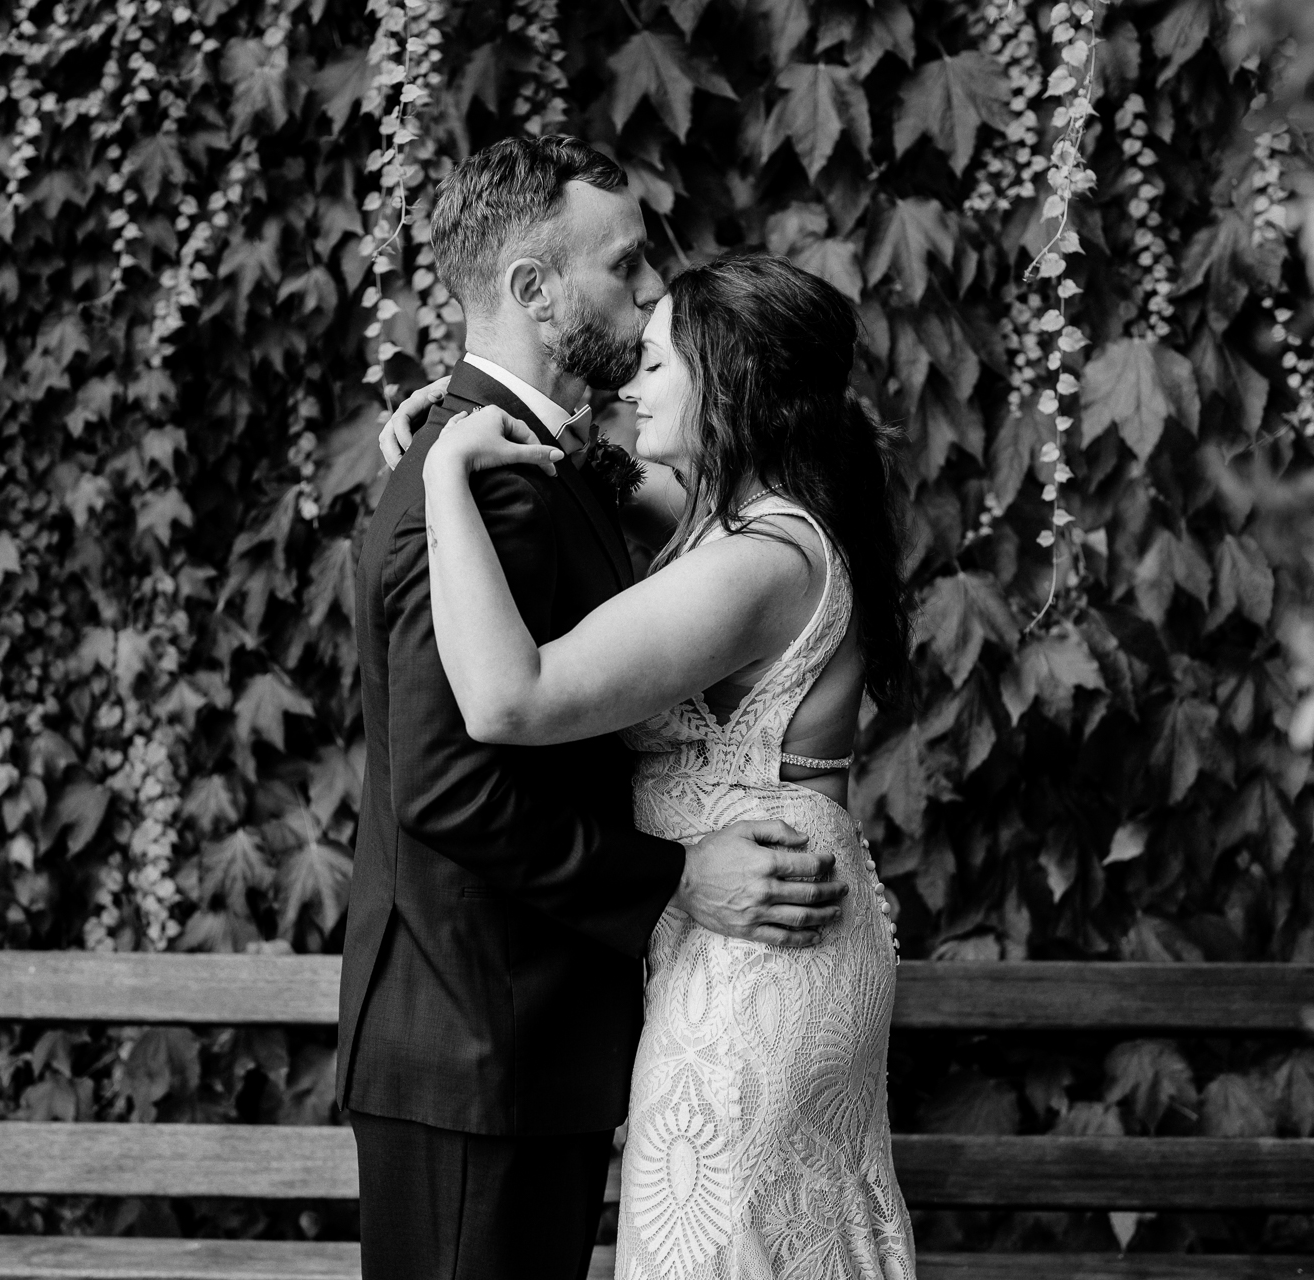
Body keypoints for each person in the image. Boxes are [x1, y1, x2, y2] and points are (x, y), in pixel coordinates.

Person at [341, 136, 849, 1280]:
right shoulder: (477, 484)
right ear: (533, 289)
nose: (650, 288)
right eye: (624, 267)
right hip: (480, 1040)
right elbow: (446, 782)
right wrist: (674, 879)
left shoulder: (510, 462)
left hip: (525, 1040)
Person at [415, 251, 918, 1279]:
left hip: (758, 961)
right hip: (761, 934)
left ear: (722, 377)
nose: (628, 387)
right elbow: (599, 474)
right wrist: (458, 411)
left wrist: (440, 481)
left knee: (717, 1242)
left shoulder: (751, 566)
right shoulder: (748, 526)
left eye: (653, 364)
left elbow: (511, 697)